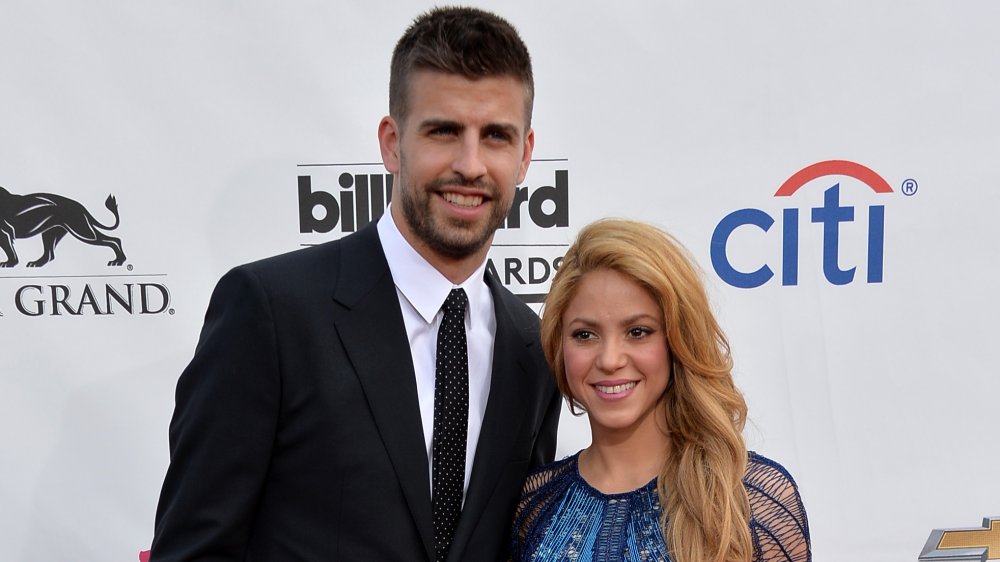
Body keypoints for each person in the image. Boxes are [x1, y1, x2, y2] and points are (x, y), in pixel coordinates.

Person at [150, 7, 561, 561]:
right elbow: (194, 549)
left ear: (525, 155)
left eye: (495, 136)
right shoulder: (273, 312)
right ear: (392, 143)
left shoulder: (534, 348)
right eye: (443, 131)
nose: (470, 164)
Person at [510, 219, 811, 562]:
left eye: (638, 332)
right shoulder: (533, 508)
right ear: (558, 344)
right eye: (585, 334)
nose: (609, 360)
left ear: (677, 340)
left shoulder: (748, 502)